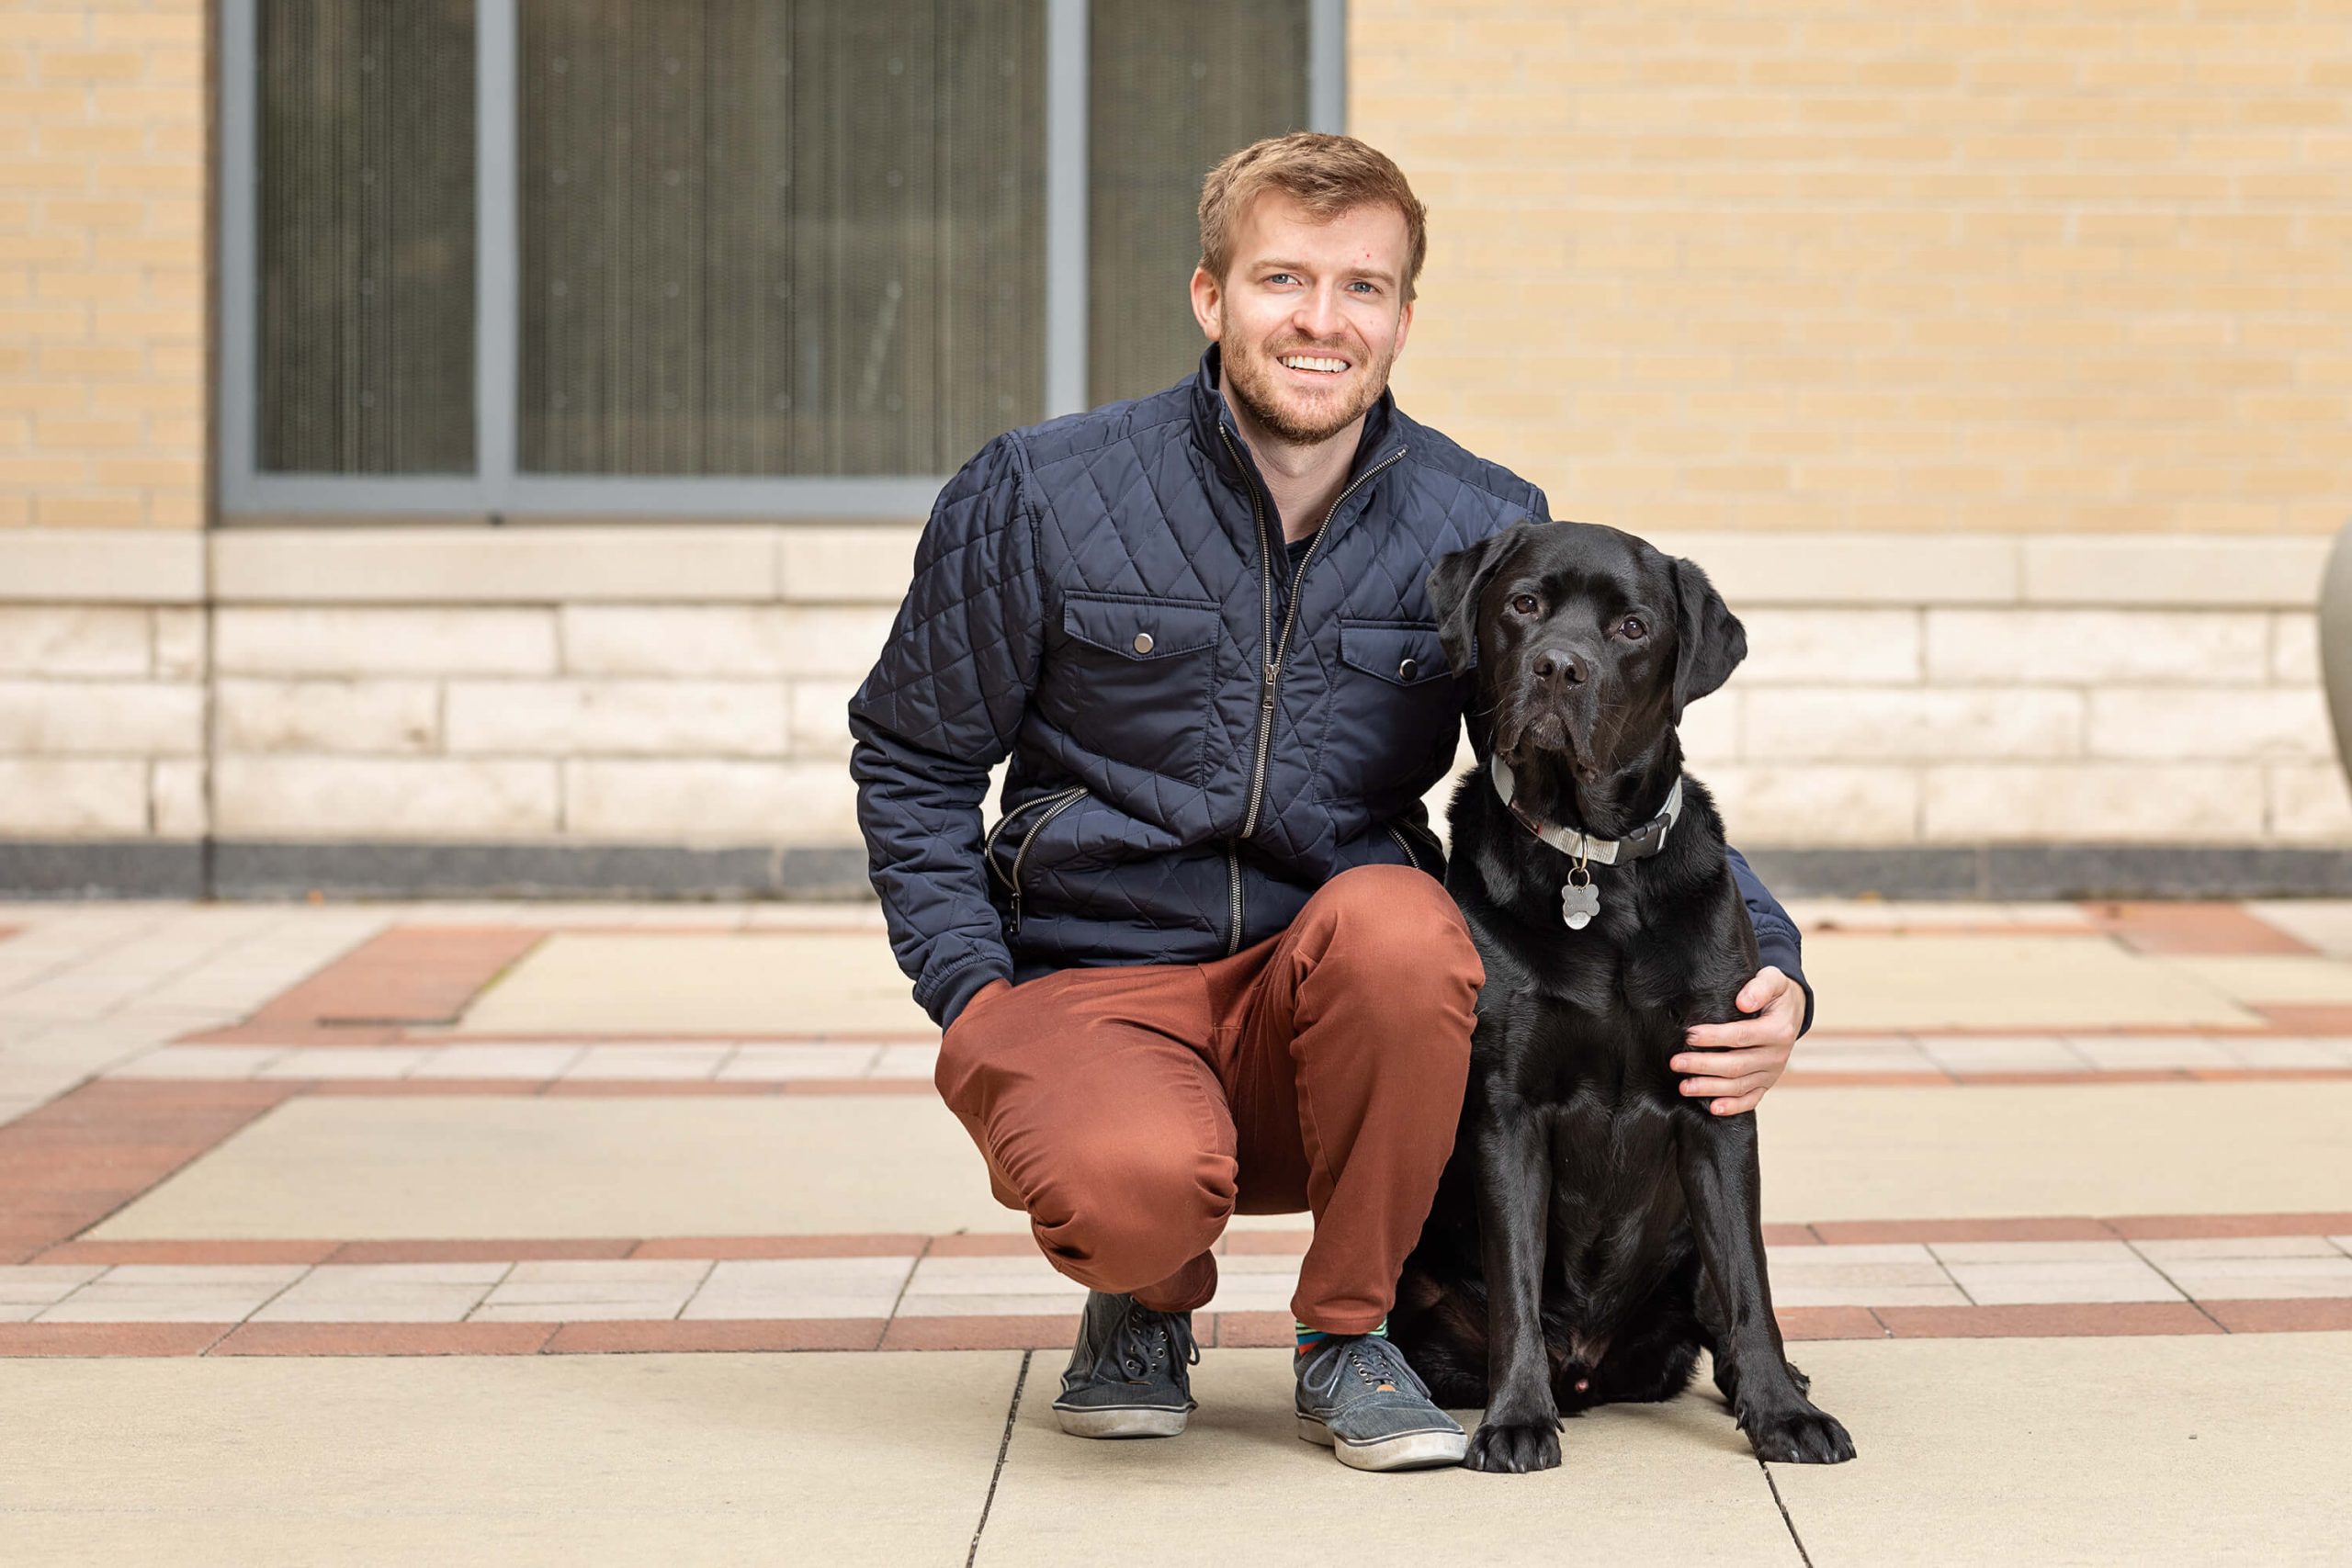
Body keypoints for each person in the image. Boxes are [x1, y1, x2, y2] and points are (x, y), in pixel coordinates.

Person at [846, 133, 1813, 1473]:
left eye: (1362, 288)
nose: (1320, 320)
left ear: (1404, 319)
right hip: (1098, 977)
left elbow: (1596, 780)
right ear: (1210, 297)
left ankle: (1349, 1334)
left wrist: (1769, 964)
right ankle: (1141, 1293)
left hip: (1343, 998)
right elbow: (910, 758)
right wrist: (974, 993)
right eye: (1281, 280)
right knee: (1130, 1189)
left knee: (1413, 932)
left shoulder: (1484, 525)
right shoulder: (1040, 492)